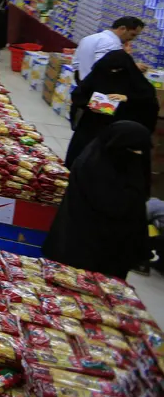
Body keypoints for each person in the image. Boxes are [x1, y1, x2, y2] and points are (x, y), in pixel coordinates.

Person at [41, 122, 153, 279]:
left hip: (107, 250)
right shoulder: (93, 169)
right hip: (83, 247)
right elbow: (114, 206)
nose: (138, 155)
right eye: (133, 150)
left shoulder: (103, 157)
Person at [65, 50, 159, 167]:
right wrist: (90, 104)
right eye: (110, 70)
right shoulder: (98, 75)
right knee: (81, 163)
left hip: (119, 137)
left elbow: (149, 107)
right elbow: (78, 95)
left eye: (118, 71)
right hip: (91, 127)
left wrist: (127, 99)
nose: (113, 73)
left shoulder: (140, 86)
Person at [74, 16, 146, 80]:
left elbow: (76, 64)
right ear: (122, 28)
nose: (133, 39)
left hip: (84, 85)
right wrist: (132, 67)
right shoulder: (112, 44)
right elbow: (102, 68)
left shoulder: (88, 38)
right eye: (132, 34)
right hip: (97, 89)